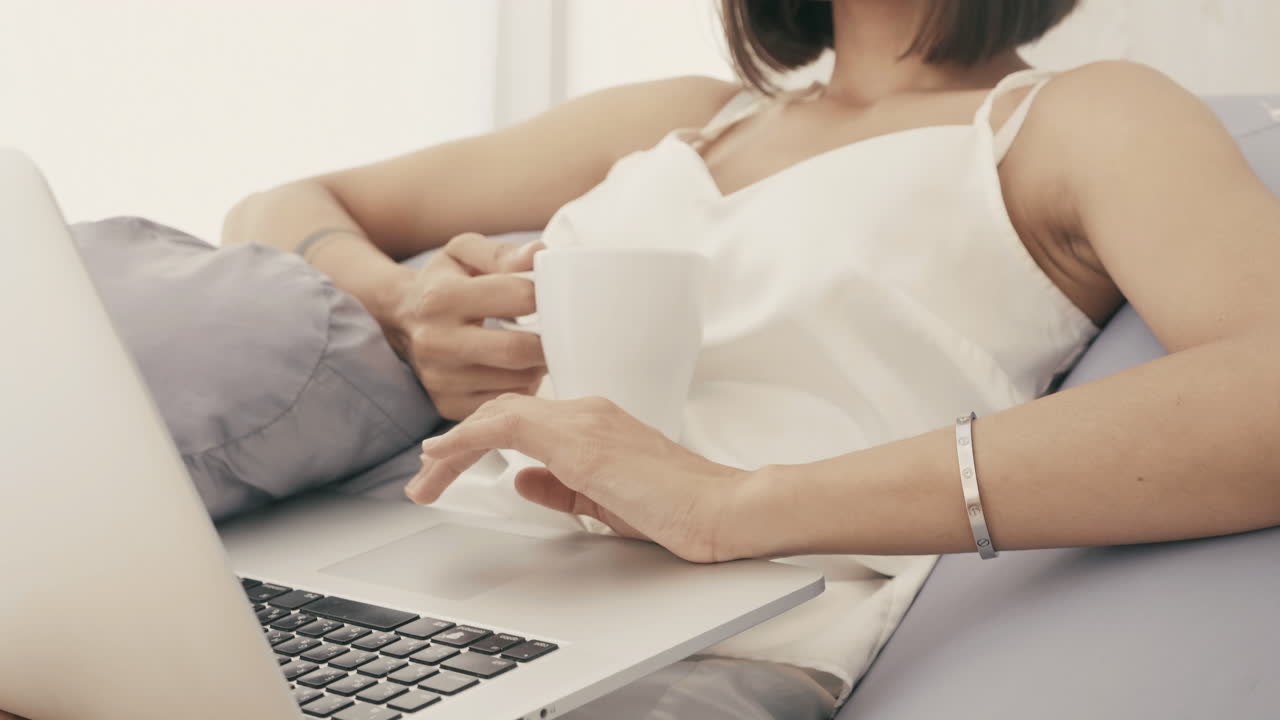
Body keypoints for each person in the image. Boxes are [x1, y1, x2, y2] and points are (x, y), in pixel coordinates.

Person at [220, 0, 1280, 717]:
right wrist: (405, 305)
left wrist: (732, 505)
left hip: (717, 646)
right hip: (437, 588)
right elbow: (274, 207)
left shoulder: (1077, 116)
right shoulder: (687, 118)